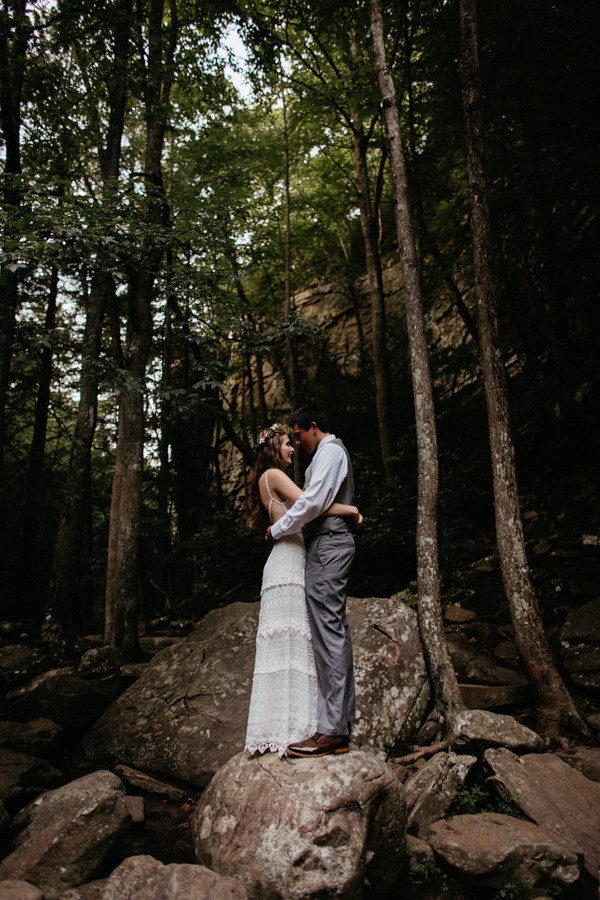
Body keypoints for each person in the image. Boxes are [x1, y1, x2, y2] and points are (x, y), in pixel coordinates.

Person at [244, 422, 362, 758]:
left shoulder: (268, 477)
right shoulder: (274, 475)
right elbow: (311, 505)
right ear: (272, 448)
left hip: (291, 556)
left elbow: (306, 505)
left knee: (295, 646)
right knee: (294, 644)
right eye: (286, 443)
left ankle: (291, 727)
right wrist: (349, 509)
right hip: (289, 558)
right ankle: (296, 728)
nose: (292, 448)